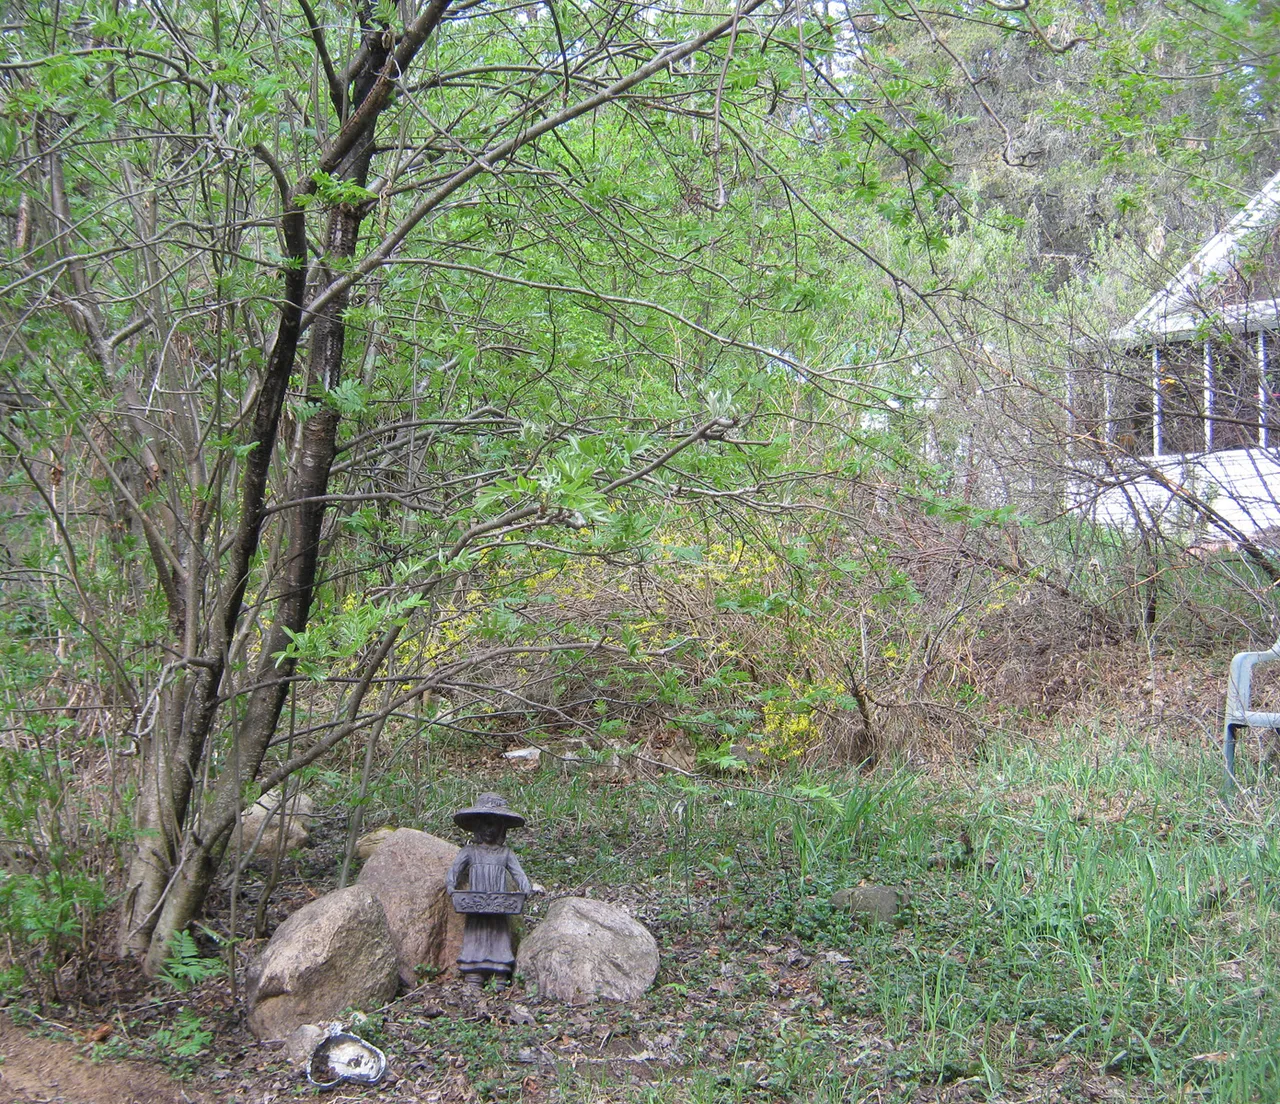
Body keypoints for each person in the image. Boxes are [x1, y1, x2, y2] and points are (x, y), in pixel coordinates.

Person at [445, 793, 532, 989]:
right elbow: (455, 870)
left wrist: (526, 887)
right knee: (476, 933)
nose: (489, 830)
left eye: (494, 825)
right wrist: (451, 886)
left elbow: (519, 874)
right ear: (476, 826)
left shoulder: (505, 853)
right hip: (476, 903)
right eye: (484, 824)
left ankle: (500, 974)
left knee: (499, 934)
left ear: (501, 828)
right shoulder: (470, 852)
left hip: (499, 905)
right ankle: (473, 974)